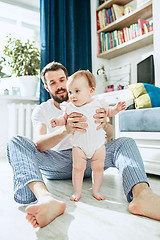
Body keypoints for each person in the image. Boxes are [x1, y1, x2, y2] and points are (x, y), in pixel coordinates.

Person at [7, 61, 160, 229]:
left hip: (91, 157)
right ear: (46, 87)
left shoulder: (93, 102)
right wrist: (65, 130)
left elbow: (110, 135)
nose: (59, 86)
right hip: (57, 163)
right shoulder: (42, 110)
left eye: (62, 79)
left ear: (68, 79)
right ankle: (46, 200)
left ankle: (142, 195)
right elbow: (39, 144)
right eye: (52, 83)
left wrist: (104, 123)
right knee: (15, 141)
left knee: (126, 142)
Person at [50, 70, 126, 201]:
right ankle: (77, 192)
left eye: (77, 91)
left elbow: (109, 112)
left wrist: (116, 109)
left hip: (98, 145)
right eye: (70, 92)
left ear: (91, 91)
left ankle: (96, 190)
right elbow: (64, 119)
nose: (72, 95)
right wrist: (58, 121)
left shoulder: (99, 103)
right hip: (79, 145)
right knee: (77, 169)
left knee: (98, 168)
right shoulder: (70, 107)